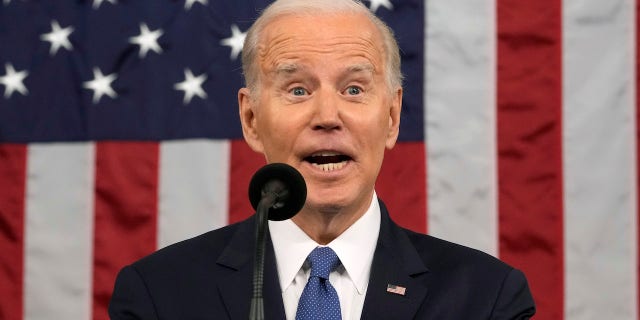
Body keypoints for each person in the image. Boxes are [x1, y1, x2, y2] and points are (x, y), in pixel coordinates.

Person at [108, 0, 536, 319]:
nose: (328, 117)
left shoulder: (487, 299)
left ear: (391, 117)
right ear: (251, 119)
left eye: (354, 89)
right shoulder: (158, 296)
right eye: (297, 90)